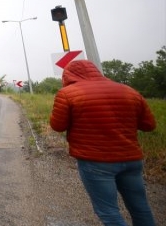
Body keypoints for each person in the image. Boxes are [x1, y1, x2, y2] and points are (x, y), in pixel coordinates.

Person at [50, 59, 156, 226]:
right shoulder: (129, 91)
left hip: (96, 162)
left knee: (108, 211)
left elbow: (57, 126)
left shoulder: (68, 93)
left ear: (68, 75)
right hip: (131, 159)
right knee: (140, 207)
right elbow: (149, 125)